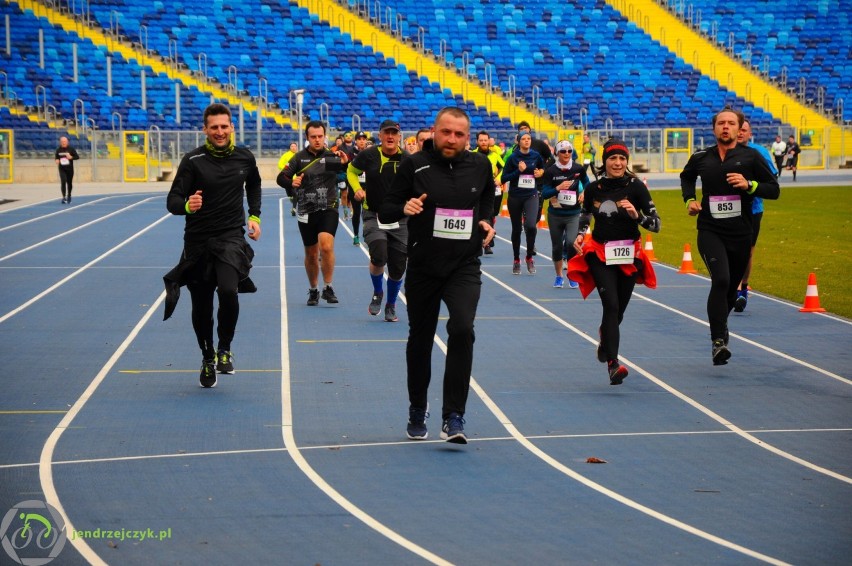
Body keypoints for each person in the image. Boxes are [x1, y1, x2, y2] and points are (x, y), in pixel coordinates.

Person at [380, 107, 495, 444]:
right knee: (421, 338)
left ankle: (454, 416)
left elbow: (488, 194)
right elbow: (386, 206)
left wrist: (486, 219)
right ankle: (418, 407)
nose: (452, 139)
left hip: (464, 265)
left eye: (460, 134)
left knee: (462, 329)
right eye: (447, 132)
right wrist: (405, 208)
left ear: (468, 138)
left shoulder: (480, 164)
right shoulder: (414, 165)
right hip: (424, 266)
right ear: (434, 131)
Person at [163, 103, 262, 388]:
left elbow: (254, 185)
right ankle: (207, 356)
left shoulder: (245, 158)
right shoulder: (193, 160)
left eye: (224, 126)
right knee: (202, 305)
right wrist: (187, 205)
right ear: (205, 130)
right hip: (198, 242)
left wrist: (254, 216)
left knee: (230, 290)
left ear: (232, 128)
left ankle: (224, 348)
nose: (220, 132)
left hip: (231, 237)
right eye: (214, 127)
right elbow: (172, 201)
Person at [680, 108, 779, 365]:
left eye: (731, 123)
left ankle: (721, 328)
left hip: (741, 233)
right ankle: (718, 341)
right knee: (721, 280)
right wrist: (690, 199)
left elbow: (774, 189)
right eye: (721, 123)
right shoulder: (701, 157)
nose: (726, 127)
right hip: (710, 230)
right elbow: (686, 176)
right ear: (714, 129)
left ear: (739, 129)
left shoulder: (752, 157)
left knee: (731, 294)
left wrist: (750, 185)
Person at [567, 139, 660, 385]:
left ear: (626, 162)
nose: (617, 163)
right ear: (605, 161)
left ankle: (605, 338)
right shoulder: (595, 188)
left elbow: (656, 224)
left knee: (618, 311)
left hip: (629, 256)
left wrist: (637, 216)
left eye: (622, 159)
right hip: (601, 254)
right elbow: (586, 212)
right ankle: (613, 364)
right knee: (611, 305)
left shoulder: (637, 186)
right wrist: (580, 232)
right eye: (612, 158)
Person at [277, 120, 349, 306]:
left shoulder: (331, 156)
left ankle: (328, 286)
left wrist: (345, 165)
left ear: (325, 137)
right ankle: (313, 289)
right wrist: (290, 183)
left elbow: (341, 177)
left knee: (326, 246)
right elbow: (281, 177)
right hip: (306, 209)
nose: (317, 140)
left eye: (320, 136)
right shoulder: (299, 158)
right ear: (307, 138)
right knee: (311, 253)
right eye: (313, 137)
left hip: (328, 207)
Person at [347, 119, 409, 322]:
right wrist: (356, 188)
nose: (390, 136)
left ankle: (391, 303)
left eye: (394, 133)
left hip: (400, 219)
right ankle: (377, 293)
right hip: (374, 214)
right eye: (386, 133)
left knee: (398, 266)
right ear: (380, 135)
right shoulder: (369, 155)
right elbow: (351, 171)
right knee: (379, 253)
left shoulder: (407, 160)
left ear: (399, 136)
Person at [735, 119, 778, 312]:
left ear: (749, 133)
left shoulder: (759, 152)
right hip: (730, 209)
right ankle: (734, 289)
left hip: (753, 209)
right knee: (731, 250)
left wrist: (750, 184)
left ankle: (743, 288)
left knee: (747, 251)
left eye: (744, 130)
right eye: (739, 129)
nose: (741, 133)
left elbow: (772, 180)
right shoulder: (724, 151)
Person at [541, 140, 589, 288]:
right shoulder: (551, 171)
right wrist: (558, 188)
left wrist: (584, 193)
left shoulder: (578, 168)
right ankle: (559, 276)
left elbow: (587, 182)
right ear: (557, 153)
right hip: (555, 214)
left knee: (570, 243)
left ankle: (571, 274)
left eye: (569, 151)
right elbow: (544, 194)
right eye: (563, 151)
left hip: (573, 213)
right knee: (556, 247)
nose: (567, 154)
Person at [501, 130, 545, 274]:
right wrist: (518, 172)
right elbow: (504, 178)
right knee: (516, 229)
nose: (527, 141)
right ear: (518, 142)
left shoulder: (536, 156)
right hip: (515, 197)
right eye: (524, 139)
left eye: (529, 139)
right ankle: (516, 260)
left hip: (531, 195)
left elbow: (542, 169)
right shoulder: (513, 158)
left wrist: (540, 173)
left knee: (531, 226)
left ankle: (529, 257)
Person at [473, 129, 505, 256]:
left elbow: (503, 167)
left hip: (491, 189)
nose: (483, 142)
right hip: (476, 189)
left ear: (489, 141)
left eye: (485, 140)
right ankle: (485, 243)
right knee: (478, 214)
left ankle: (487, 240)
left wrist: (499, 178)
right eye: (481, 140)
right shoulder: (472, 154)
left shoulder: (494, 155)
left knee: (491, 213)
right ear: (477, 142)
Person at [349, 131, 369, 245]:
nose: (362, 141)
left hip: (368, 185)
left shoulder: (370, 152)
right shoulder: (351, 153)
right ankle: (356, 235)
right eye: (359, 139)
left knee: (367, 211)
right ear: (356, 141)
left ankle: (366, 234)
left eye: (363, 139)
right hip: (355, 186)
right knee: (356, 212)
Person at [54, 136, 80, 204]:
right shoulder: (58, 149)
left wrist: (71, 157)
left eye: (65, 141)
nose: (63, 143)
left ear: (67, 142)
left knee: (69, 183)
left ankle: (69, 195)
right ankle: (63, 197)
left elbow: (77, 157)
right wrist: (56, 160)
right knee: (63, 181)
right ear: (60, 142)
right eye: (62, 142)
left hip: (70, 169)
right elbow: (56, 157)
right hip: (62, 168)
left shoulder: (71, 149)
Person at [278, 142, 299, 216]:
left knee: (295, 192)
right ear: (290, 148)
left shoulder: (298, 155)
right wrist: (286, 170)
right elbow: (280, 164)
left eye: (294, 146)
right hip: (287, 178)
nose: (293, 148)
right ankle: (292, 199)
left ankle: (294, 208)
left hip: (296, 179)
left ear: (296, 147)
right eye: (292, 146)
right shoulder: (286, 155)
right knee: (290, 194)